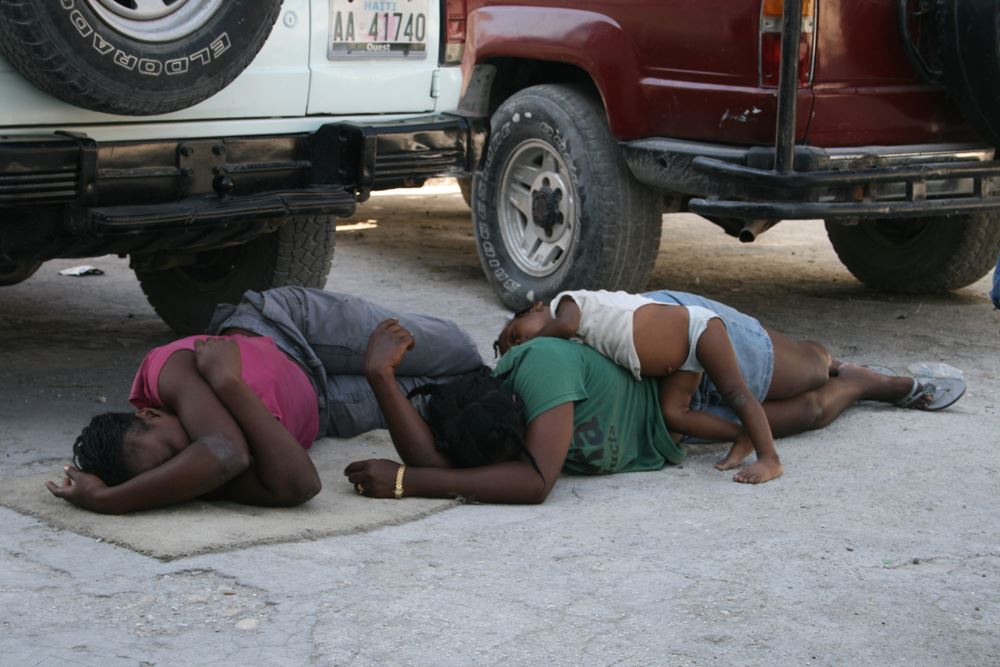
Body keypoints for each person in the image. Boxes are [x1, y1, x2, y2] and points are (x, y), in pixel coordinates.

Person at [344, 290, 966, 502]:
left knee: (806, 369)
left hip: (682, 346)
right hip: (678, 417)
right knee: (812, 411)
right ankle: (866, 386)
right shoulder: (492, 424)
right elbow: (440, 460)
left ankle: (859, 369)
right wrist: (381, 379)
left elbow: (534, 483)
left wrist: (406, 482)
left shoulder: (538, 366)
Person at [45, 287, 485, 514]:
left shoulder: (166, 374)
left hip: (287, 329)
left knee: (458, 350)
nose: (191, 464)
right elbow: (301, 485)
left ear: (150, 413)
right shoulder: (204, 478)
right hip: (324, 406)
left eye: (175, 451)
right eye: (173, 474)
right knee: (465, 393)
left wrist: (110, 501)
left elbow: (223, 451)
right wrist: (228, 384)